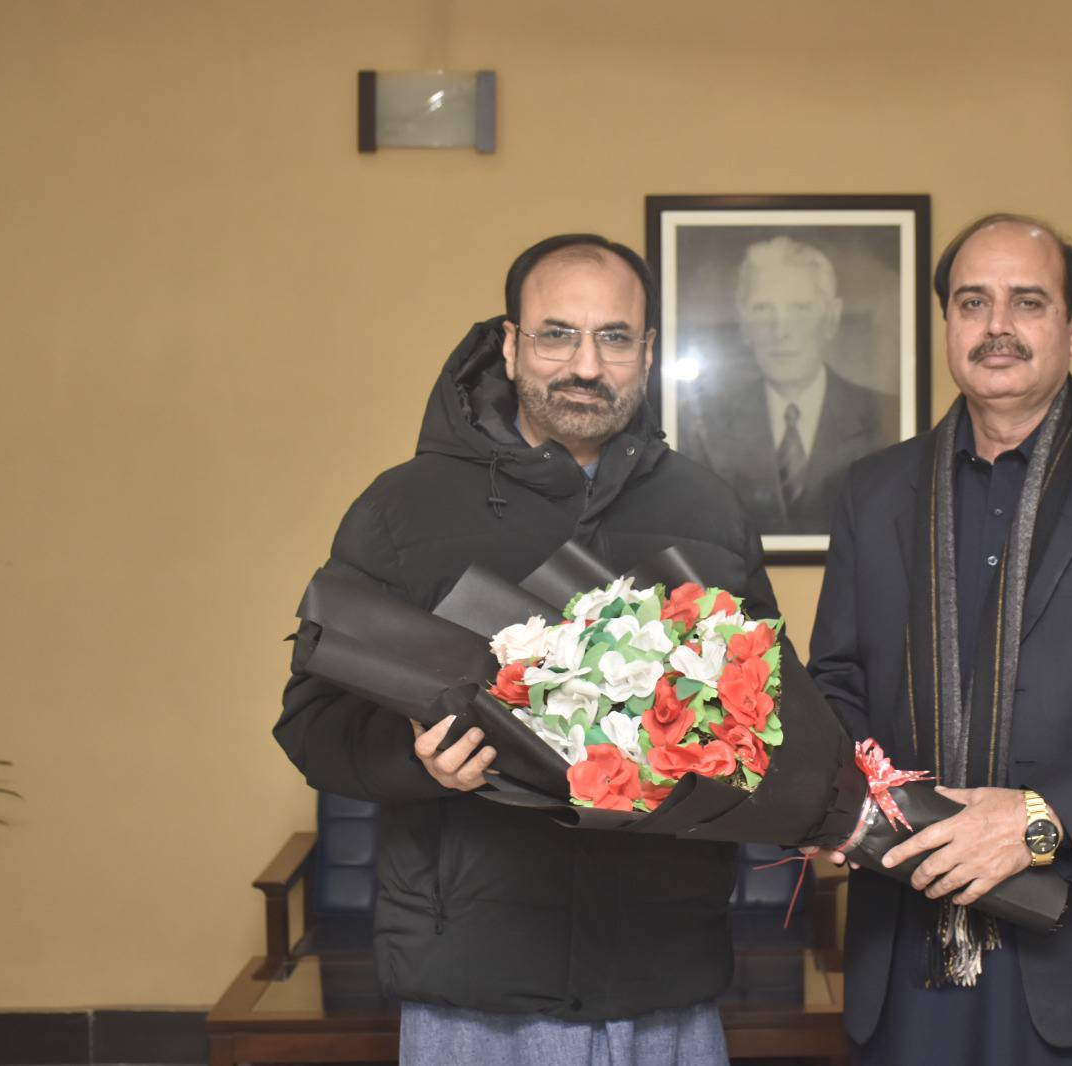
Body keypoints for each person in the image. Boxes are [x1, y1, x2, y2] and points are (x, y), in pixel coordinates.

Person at [274, 234, 782, 1066]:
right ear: (510, 345)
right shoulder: (402, 510)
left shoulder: (711, 511)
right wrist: (416, 761)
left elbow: (765, 718)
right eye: (558, 334)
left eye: (614, 337)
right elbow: (310, 723)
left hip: (664, 978)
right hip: (474, 987)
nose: (586, 363)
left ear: (647, 355)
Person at [806, 213, 1072, 1063]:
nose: (997, 325)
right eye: (973, 302)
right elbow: (839, 681)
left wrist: (1038, 823)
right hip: (908, 940)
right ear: (948, 327)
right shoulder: (872, 490)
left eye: (1027, 301)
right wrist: (834, 801)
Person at [679, 236, 897, 535]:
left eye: (801, 308)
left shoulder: (886, 416)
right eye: (762, 309)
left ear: (831, 317)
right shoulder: (701, 424)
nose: (781, 330)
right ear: (744, 321)